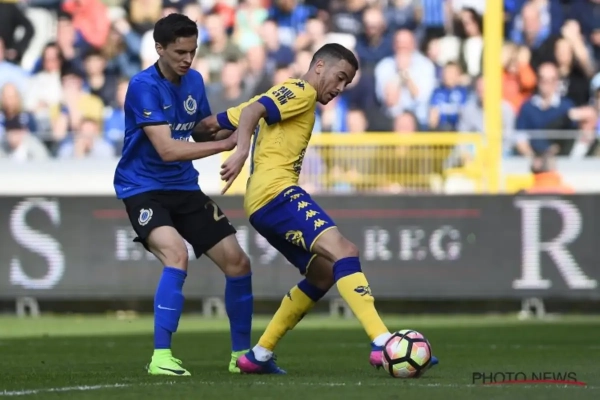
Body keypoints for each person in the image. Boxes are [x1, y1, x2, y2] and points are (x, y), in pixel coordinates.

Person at [197, 43, 439, 374]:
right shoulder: (301, 91)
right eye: (340, 77)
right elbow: (252, 113)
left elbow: (208, 126)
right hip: (277, 194)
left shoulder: (279, 95)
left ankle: (259, 355)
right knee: (345, 251)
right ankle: (382, 341)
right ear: (320, 66)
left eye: (347, 83)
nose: (340, 88)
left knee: (323, 273)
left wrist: (190, 127)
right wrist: (239, 150)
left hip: (260, 204)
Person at [113, 13, 254, 376]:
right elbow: (167, 149)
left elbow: (201, 131)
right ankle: (161, 358)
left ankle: (242, 357)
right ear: (159, 48)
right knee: (176, 254)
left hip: (184, 187)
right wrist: (226, 144)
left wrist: (243, 120)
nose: (188, 59)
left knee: (238, 262)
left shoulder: (194, 80)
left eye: (192, 51)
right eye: (180, 52)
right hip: (143, 189)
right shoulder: (142, 86)